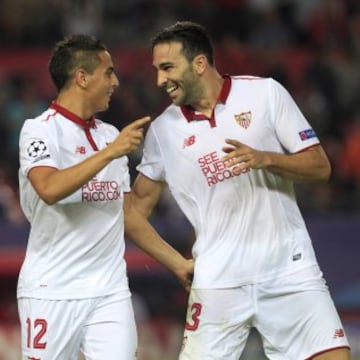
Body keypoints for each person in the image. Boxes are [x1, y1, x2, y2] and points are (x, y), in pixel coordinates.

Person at [131, 21, 351, 360]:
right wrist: (176, 263)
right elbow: (133, 213)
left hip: (287, 267)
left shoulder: (265, 93)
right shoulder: (163, 131)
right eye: (157, 70)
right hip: (219, 280)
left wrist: (265, 158)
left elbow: (320, 166)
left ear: (200, 63)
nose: (160, 80)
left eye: (167, 68)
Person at [17, 34, 193, 360]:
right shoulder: (40, 130)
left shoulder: (110, 135)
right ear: (82, 77)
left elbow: (125, 215)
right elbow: (50, 189)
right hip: (51, 291)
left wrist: (178, 264)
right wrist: (110, 153)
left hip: (108, 292)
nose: (116, 81)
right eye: (108, 72)